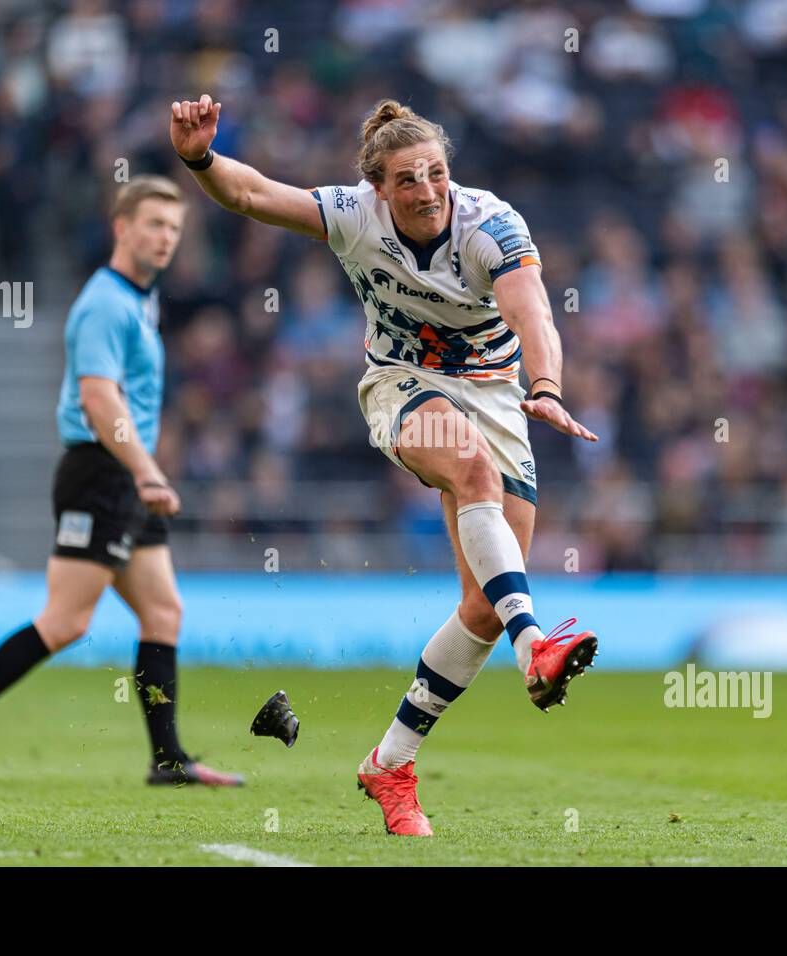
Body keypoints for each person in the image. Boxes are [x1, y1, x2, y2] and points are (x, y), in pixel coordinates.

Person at [169, 95, 598, 835]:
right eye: (407, 180)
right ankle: (539, 646)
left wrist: (546, 387)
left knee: (481, 606)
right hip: (403, 385)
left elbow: (535, 315)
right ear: (378, 188)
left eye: (435, 173)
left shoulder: (491, 224)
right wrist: (199, 157)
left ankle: (390, 762)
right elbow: (249, 193)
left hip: (499, 394)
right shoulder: (350, 214)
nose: (427, 190)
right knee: (472, 475)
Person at [0, 175, 243, 789]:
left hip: (125, 476)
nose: (166, 238)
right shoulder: (106, 303)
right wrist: (146, 471)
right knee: (67, 620)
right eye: (154, 224)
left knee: (163, 611)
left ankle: (168, 759)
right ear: (121, 228)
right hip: (102, 473)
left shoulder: (140, 299)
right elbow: (98, 400)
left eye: (174, 228)